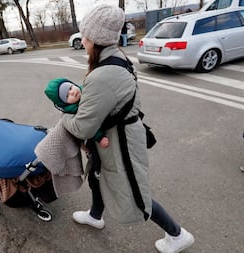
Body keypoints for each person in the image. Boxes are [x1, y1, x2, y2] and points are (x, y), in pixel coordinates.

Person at [60, 5, 194, 253]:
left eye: (86, 34)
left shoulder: (103, 74)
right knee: (98, 179)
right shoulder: (114, 58)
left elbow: (83, 128)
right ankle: (95, 215)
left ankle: (177, 234)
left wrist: (63, 118)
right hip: (117, 136)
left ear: (96, 38)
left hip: (120, 143)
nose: (83, 39)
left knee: (133, 191)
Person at [44, 77, 109, 149]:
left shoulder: (87, 88)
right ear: (64, 103)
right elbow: (86, 125)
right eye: (67, 96)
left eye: (70, 88)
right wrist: (99, 137)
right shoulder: (73, 112)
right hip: (102, 130)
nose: (72, 92)